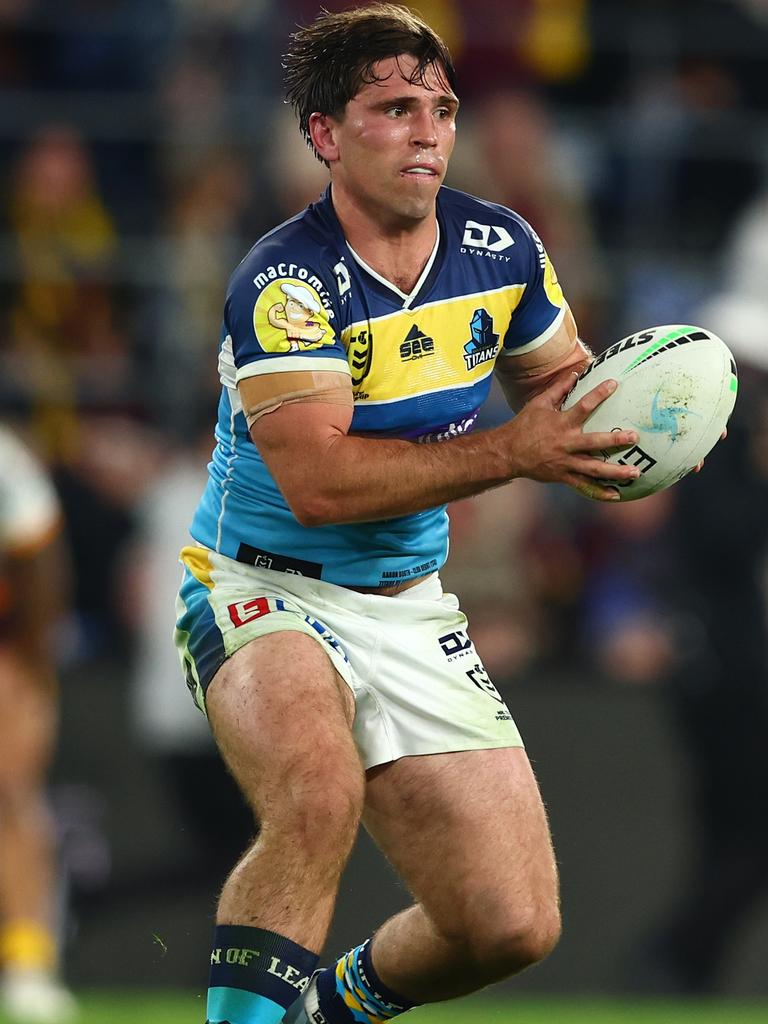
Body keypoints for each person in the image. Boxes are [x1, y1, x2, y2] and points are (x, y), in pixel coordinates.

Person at [173, 6, 646, 1024]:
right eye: (394, 107)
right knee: (316, 794)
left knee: (507, 923)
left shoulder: (501, 245)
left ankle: (317, 1012)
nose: (429, 130)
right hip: (264, 583)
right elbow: (322, 485)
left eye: (441, 107)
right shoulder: (286, 280)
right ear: (325, 134)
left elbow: (562, 392)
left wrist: (643, 429)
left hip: (408, 603)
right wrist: (514, 455)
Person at [0, 423, 76, 1024]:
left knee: (12, 793)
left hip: (5, 640)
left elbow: (39, 556)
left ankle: (27, 964)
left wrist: (30, 664)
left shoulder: (5, 456)